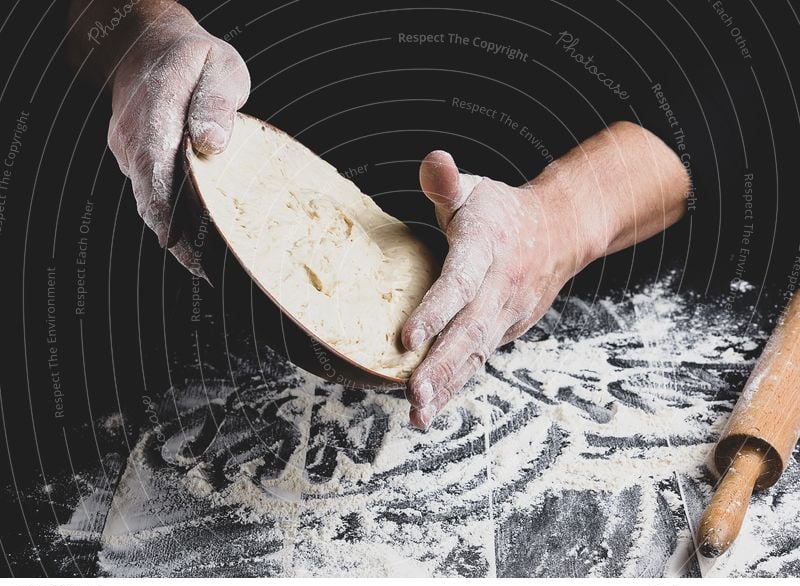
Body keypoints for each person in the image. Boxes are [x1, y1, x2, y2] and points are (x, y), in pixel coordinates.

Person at [66, 0, 690, 429]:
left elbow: (705, 125)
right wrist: (144, 35)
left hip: (574, 309)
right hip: (138, 329)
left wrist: (554, 220)